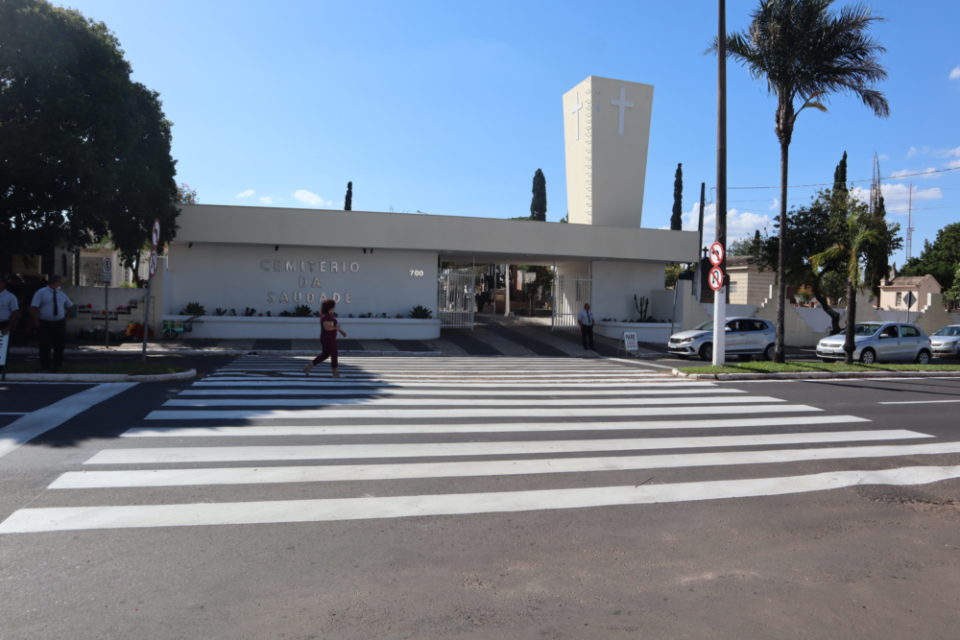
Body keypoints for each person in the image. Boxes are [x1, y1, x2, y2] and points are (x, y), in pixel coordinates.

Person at [30, 275, 74, 371]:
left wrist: (66, 317)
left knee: (59, 345)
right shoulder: (41, 292)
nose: (59, 284)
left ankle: (58, 365)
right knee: (45, 345)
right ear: (53, 283)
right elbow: (34, 307)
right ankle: (45, 365)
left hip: (59, 323)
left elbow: (70, 305)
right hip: (45, 323)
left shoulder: (61, 293)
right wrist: (36, 320)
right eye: (58, 282)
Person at [304, 298, 347, 377]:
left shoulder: (328, 316)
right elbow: (327, 327)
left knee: (325, 354)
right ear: (330, 307)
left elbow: (333, 326)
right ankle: (335, 372)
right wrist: (336, 328)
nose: (334, 308)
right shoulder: (326, 316)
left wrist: (341, 331)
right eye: (334, 306)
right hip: (328, 338)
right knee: (334, 353)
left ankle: (309, 366)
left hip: (328, 337)